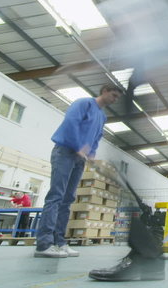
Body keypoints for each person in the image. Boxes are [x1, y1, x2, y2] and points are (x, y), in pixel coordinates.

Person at [34, 84, 122, 258]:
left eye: (117, 98)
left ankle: (59, 242)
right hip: (65, 152)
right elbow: (70, 124)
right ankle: (44, 244)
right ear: (104, 91)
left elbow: (96, 137)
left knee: (68, 200)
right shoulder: (84, 104)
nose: (114, 100)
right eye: (113, 95)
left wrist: (91, 154)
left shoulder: (102, 116)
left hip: (79, 159)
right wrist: (78, 147)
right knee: (56, 196)